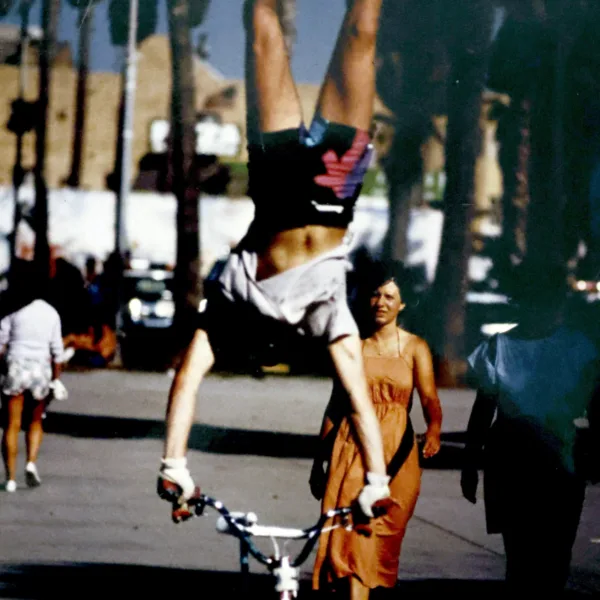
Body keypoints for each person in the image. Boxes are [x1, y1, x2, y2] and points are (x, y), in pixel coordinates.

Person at [157, 0, 391, 521]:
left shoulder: (232, 301)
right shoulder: (329, 319)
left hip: (280, 181)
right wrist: (376, 479)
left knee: (265, 31)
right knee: (363, 33)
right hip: (336, 186)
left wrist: (174, 463)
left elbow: (187, 379)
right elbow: (358, 401)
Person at [461, 261, 600, 595]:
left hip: (560, 458)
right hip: (511, 458)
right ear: (520, 301)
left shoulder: (579, 349)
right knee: (520, 555)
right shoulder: (498, 347)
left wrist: (595, 452)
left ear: (558, 303)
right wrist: (470, 463)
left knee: (555, 554)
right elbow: (484, 408)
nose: (539, 308)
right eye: (531, 299)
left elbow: (596, 406)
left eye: (547, 300)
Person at [310, 262, 443, 599]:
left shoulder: (415, 348)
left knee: (385, 536)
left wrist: (434, 429)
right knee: (353, 538)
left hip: (398, 451)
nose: (380, 302)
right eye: (375, 295)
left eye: (389, 296)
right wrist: (318, 460)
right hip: (352, 447)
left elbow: (429, 398)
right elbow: (335, 405)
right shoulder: (352, 346)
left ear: (402, 304)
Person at [0, 262, 68, 492]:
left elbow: (1, 344)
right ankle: (30, 463)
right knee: (35, 421)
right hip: (41, 370)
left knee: (12, 424)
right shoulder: (50, 313)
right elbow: (57, 351)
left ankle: (10, 478)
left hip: (16, 366)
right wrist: (56, 378)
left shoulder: (13, 310)